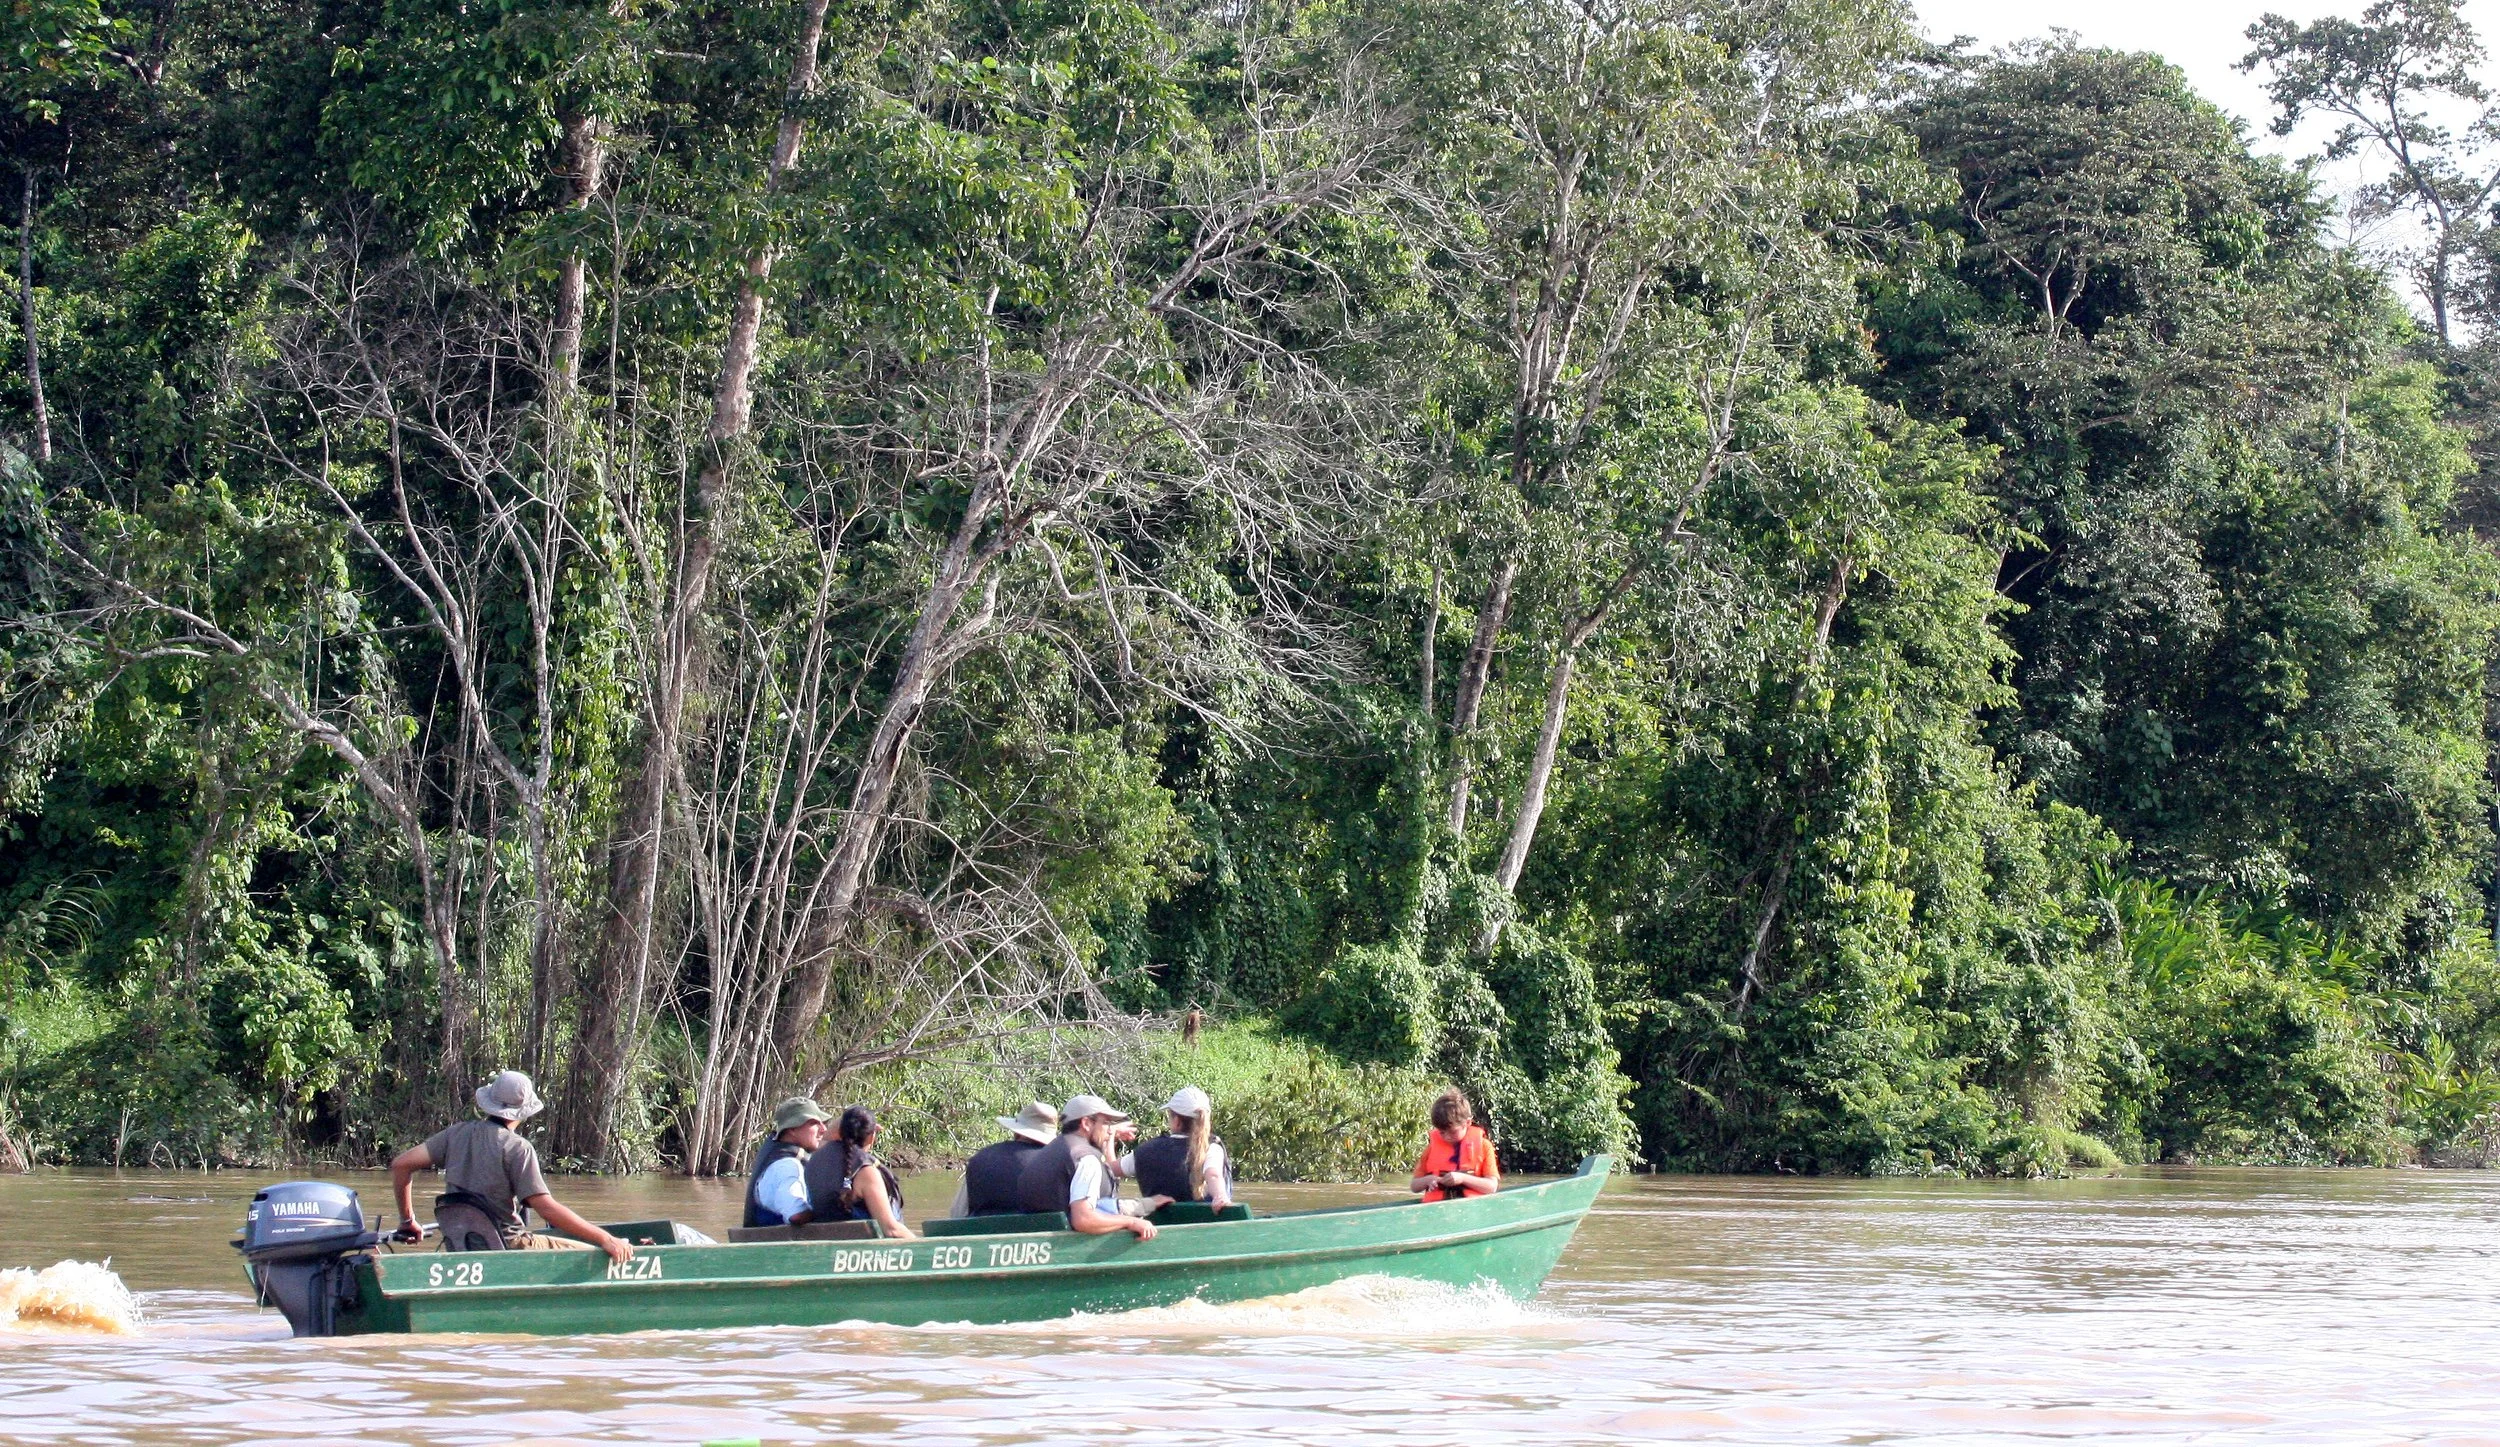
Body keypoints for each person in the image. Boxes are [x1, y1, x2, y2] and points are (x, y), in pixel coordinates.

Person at [388, 1070, 632, 1263]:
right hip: (510, 1246)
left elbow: (401, 1165)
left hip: (463, 1246)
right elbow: (546, 1209)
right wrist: (605, 1239)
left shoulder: (455, 1134)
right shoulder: (518, 1148)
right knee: (594, 1253)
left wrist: (407, 1220)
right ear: (522, 1112)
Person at [1018, 1094, 1167, 1240]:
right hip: (1066, 1247)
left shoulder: (1051, 1150)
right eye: (1106, 1123)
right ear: (1086, 1123)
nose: (1109, 1130)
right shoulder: (1086, 1159)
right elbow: (1083, 1220)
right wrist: (1132, 1221)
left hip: (1039, 1240)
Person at [797, 1105, 916, 1239]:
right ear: (872, 1137)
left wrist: (851, 1118)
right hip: (860, 1248)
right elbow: (891, 1230)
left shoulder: (817, 1155)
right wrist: (923, 1246)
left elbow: (828, 1136)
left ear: (840, 1131)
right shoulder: (866, 1172)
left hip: (827, 1242)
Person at [1122, 1085, 1232, 1209]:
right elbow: (1213, 1174)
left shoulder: (1144, 1150)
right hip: (1205, 1225)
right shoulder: (1212, 1149)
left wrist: (1109, 1139)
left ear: (1177, 1121)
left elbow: (1109, 1170)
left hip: (1157, 1227)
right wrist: (1220, 1196)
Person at [948, 1100, 1059, 1218]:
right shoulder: (1060, 1164)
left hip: (984, 1233)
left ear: (1016, 1133)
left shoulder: (980, 1159)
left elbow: (957, 1213)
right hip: (1041, 1232)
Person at [745, 1097, 830, 1228]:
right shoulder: (787, 1166)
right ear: (792, 1129)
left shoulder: (780, 1156)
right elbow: (796, 1214)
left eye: (823, 1123)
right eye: (814, 1123)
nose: (823, 1129)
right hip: (773, 1246)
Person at [1409, 1086, 1500, 1202]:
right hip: (1437, 1210)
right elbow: (1414, 1186)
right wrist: (1428, 1180)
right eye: (1441, 1132)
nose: (1447, 1137)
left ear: (1467, 1123)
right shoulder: (1431, 1148)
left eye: (1452, 1132)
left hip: (1472, 1210)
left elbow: (1491, 1186)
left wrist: (1462, 1178)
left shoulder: (1484, 1146)